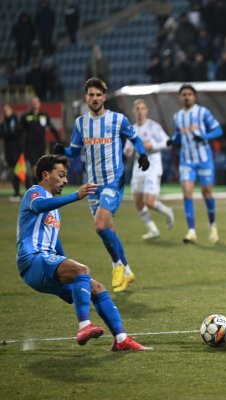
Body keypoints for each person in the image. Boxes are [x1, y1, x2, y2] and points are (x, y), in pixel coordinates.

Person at [16, 155, 150, 351]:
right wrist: (76, 196)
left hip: (45, 263)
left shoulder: (54, 209)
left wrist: (65, 266)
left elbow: (54, 240)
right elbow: (38, 206)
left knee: (97, 288)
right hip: (32, 261)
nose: (65, 180)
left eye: (66, 176)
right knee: (82, 270)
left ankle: (121, 339)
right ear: (45, 175)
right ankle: (84, 326)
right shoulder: (34, 193)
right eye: (61, 175)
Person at [53, 77, 150, 292]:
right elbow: (75, 151)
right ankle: (127, 270)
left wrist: (142, 154)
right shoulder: (81, 123)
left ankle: (116, 265)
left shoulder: (118, 120)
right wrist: (63, 151)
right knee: (108, 230)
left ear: (104, 97)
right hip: (93, 185)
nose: (95, 98)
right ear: (86, 97)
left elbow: (135, 138)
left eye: (98, 94)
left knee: (99, 225)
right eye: (91, 95)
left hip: (113, 181)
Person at [168, 84, 222, 244]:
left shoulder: (203, 112)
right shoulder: (177, 116)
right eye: (184, 94)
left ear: (194, 97)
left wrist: (204, 137)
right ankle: (191, 231)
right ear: (180, 97)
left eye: (189, 94)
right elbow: (178, 136)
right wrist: (173, 140)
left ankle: (212, 225)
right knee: (187, 193)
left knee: (207, 193)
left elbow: (218, 130)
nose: (187, 97)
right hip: (187, 160)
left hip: (204, 160)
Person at [124, 99, 174, 240]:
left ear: (146, 110)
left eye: (142, 108)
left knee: (149, 201)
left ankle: (168, 211)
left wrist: (153, 145)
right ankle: (153, 230)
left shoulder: (154, 126)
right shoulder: (131, 129)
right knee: (138, 201)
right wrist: (130, 151)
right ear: (134, 112)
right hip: (138, 167)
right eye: (137, 109)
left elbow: (168, 142)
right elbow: (127, 150)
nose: (140, 111)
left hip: (153, 166)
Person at [20, 96, 61, 186]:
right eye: (33, 102)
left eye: (36, 102)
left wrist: (58, 139)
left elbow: (51, 127)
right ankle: (37, 186)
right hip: (30, 145)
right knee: (34, 167)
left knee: (42, 167)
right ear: (31, 104)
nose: (34, 104)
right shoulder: (25, 116)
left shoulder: (44, 116)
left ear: (39, 104)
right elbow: (20, 130)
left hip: (41, 145)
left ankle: (40, 185)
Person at [0, 104, 24, 200]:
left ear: (11, 110)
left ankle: (31, 192)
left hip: (18, 150)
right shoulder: (3, 123)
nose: (5, 112)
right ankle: (16, 193)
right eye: (4, 111)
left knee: (21, 172)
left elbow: (18, 134)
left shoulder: (16, 121)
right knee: (13, 172)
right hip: (9, 151)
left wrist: (22, 149)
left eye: (7, 110)